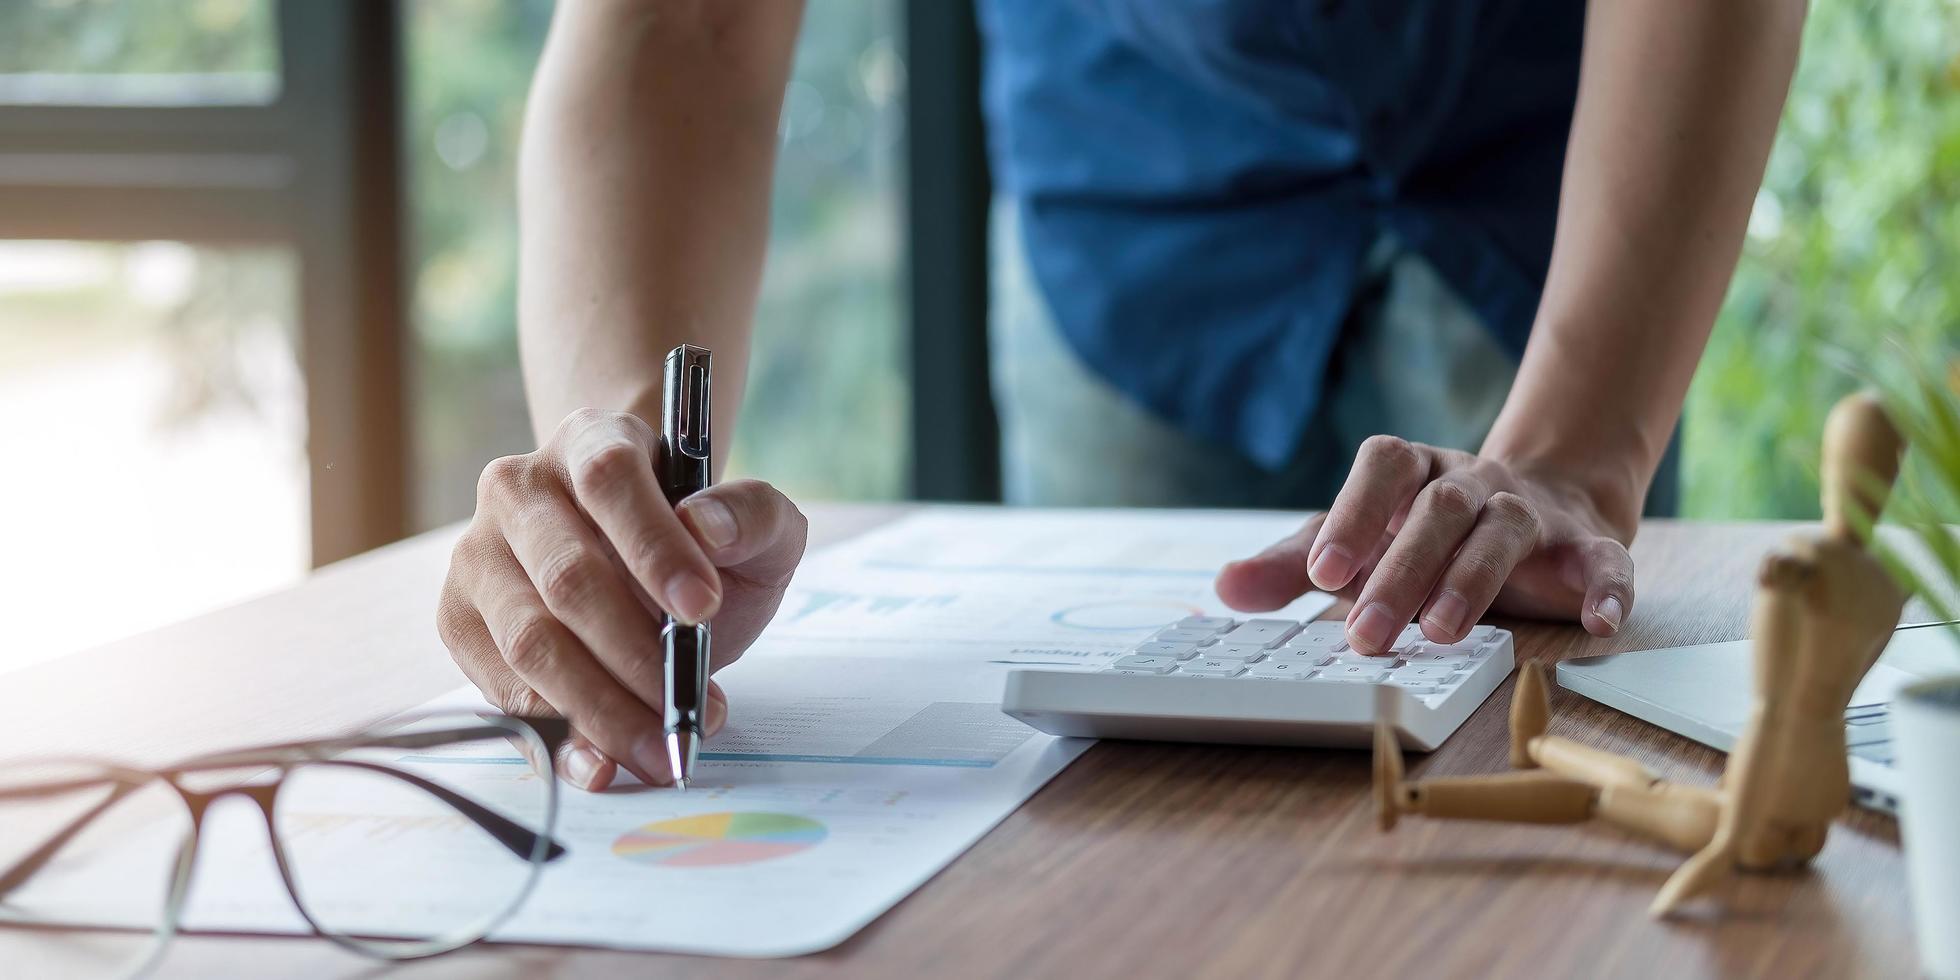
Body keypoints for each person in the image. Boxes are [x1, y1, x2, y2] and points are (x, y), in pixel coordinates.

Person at [437, 0, 1807, 790]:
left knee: (1536, 732)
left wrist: (1579, 447)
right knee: (1108, 816)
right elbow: (683, 25)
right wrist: (625, 505)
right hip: (1135, 180)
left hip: (1552, 169)